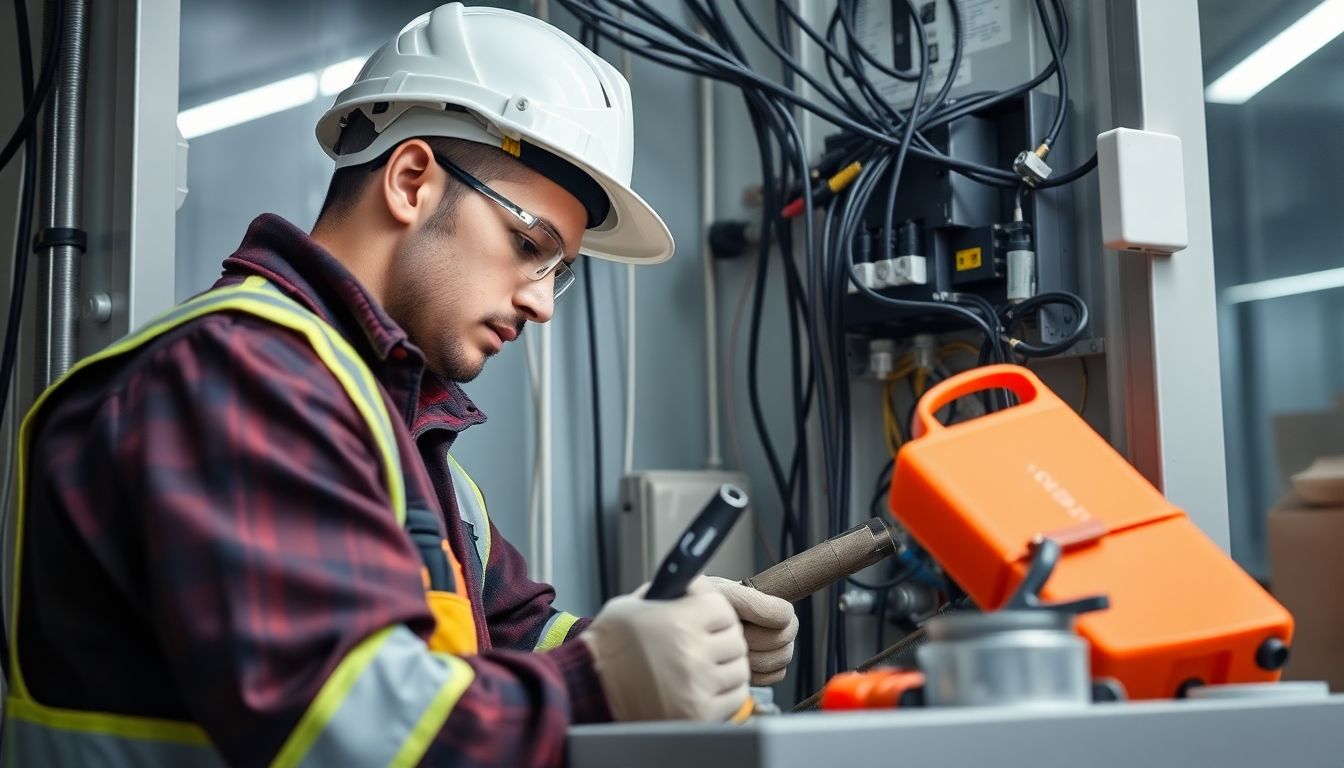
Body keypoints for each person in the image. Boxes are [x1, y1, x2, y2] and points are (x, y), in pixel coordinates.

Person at [1, 4, 797, 766]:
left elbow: (507, 639)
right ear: (412, 179)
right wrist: (606, 683)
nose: (543, 302)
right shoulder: (233, 378)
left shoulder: (399, 433)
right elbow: (347, 733)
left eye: (562, 272)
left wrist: (672, 642)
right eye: (528, 244)